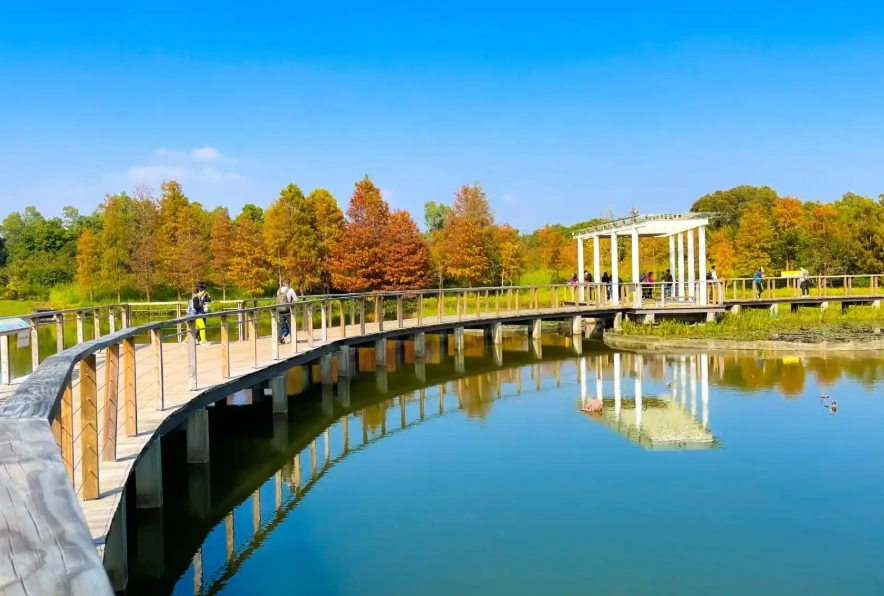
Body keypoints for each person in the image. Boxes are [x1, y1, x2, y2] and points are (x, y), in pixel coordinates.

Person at [276, 278, 298, 344]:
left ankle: (279, 340)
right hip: (288, 310)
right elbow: (296, 299)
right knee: (291, 324)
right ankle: (293, 339)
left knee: (281, 325)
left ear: (283, 283)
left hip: (280, 310)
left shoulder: (279, 290)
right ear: (289, 283)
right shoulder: (290, 290)